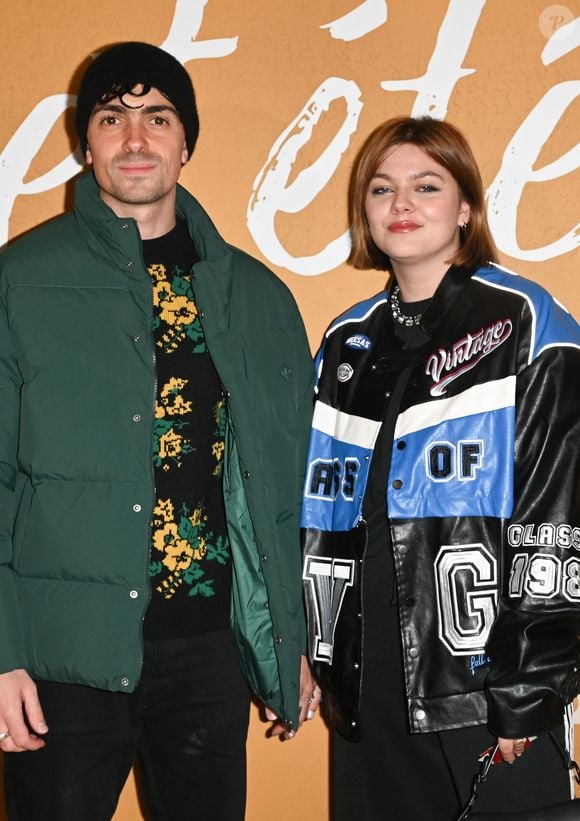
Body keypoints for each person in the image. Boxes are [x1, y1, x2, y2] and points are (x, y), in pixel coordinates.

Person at [0, 41, 320, 821]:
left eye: (158, 117)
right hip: (60, 658)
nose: (136, 138)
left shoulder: (257, 297)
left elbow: (285, 492)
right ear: (86, 142)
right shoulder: (20, 281)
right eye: (112, 118)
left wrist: (289, 639)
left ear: (187, 143)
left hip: (210, 653)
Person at [301, 115, 580, 818]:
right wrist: (313, 646)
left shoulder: (527, 319)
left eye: (426, 186)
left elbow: (559, 511)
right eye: (381, 188)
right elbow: (315, 511)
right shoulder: (346, 338)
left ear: (465, 209)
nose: (401, 203)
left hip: (482, 681)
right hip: (366, 678)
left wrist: (529, 686)